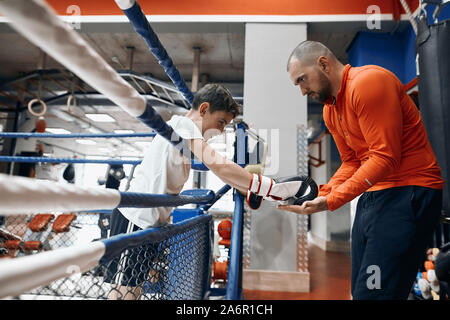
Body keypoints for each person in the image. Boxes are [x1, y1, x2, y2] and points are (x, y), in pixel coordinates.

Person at [104, 83, 314, 299]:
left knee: (134, 290)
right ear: (204, 109)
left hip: (147, 220)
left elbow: (222, 172)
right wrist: (271, 187)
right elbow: (219, 165)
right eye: (221, 122)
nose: (222, 130)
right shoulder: (183, 125)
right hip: (135, 218)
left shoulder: (182, 133)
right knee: (123, 294)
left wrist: (255, 188)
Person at [281, 40, 445, 300]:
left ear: (323, 63)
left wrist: (332, 200)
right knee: (361, 291)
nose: (302, 91)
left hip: (409, 191)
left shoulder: (367, 83)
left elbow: (385, 157)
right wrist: (321, 193)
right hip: (375, 195)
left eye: (303, 80)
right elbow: (352, 162)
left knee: (375, 294)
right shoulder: (330, 111)